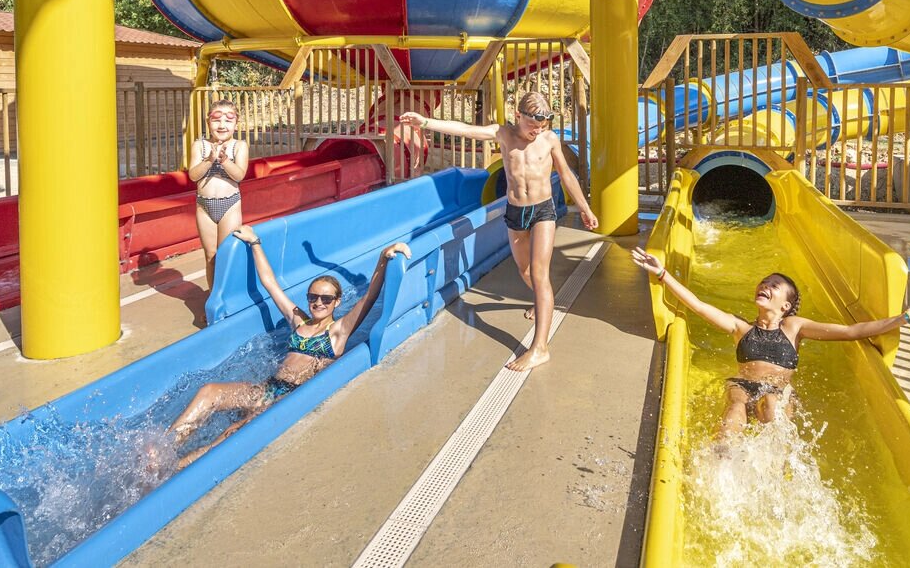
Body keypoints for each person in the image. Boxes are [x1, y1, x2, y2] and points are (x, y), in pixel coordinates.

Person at [629, 246, 910, 439]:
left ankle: (774, 473)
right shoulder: (740, 328)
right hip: (743, 385)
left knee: (771, 404)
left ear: (785, 305)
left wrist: (905, 319)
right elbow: (698, 305)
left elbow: (852, 331)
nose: (765, 285)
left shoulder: (795, 328)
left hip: (777, 392)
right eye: (764, 283)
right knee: (735, 408)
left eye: (774, 285)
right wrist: (662, 274)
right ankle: (722, 460)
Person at [168, 226, 409, 465]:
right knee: (210, 391)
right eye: (313, 297)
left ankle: (180, 468)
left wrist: (383, 257)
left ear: (337, 302)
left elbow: (369, 297)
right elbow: (270, 284)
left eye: (326, 299)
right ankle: (166, 448)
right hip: (268, 388)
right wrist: (255, 243)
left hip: (289, 398)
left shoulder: (338, 332)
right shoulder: (298, 321)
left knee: (233, 431)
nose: (318, 303)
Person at [398, 92, 598, 372]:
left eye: (541, 127)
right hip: (516, 211)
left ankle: (540, 348)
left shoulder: (549, 139)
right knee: (525, 272)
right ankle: (542, 301)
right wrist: (426, 122)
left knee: (540, 274)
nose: (536, 132)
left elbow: (565, 175)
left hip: (543, 210)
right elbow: (466, 129)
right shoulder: (503, 134)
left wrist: (585, 209)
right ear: (519, 117)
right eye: (532, 126)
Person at [186, 99, 249, 289]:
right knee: (211, 255)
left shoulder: (239, 146)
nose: (222, 125)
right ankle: (213, 299)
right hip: (204, 206)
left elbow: (239, 175)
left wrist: (224, 161)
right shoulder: (200, 145)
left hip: (229, 205)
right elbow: (193, 175)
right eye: (216, 120)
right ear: (208, 123)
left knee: (226, 255)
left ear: (236, 124)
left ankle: (227, 295)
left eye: (228, 120)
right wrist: (209, 160)